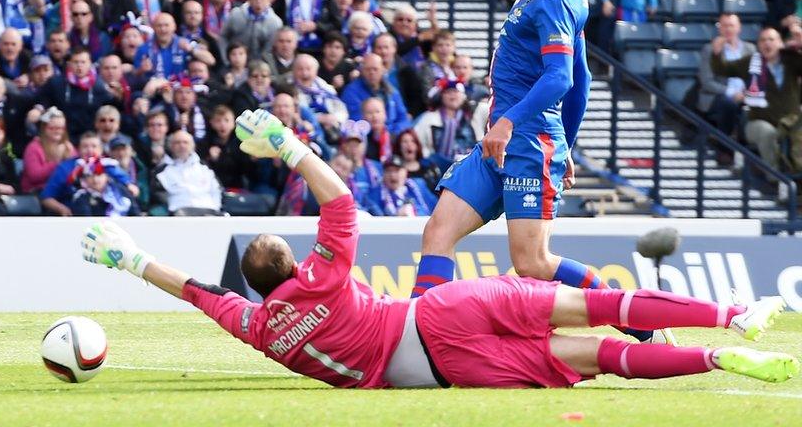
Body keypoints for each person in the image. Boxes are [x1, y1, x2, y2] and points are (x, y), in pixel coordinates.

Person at [81, 108, 799, 389]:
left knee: (601, 358)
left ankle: (713, 358)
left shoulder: (261, 327)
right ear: (294, 264)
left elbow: (201, 293)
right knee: (596, 303)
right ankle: (730, 316)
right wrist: (290, 146)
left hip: (444, 371)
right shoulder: (325, 276)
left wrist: (130, 260)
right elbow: (339, 199)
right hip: (438, 316)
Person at [412, 0, 666, 343]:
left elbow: (562, 79)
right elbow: (582, 79)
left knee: (532, 262)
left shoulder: (550, 1)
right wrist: (564, 143)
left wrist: (517, 127)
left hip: (526, 143)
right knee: (438, 231)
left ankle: (633, 317)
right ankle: (418, 335)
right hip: (499, 145)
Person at [710, 27, 802, 173]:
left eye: (771, 39)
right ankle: (775, 180)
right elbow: (722, 69)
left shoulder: (791, 59)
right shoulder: (751, 62)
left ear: (780, 43)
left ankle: (796, 180)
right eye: (763, 40)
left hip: (791, 120)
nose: (767, 43)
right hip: (758, 121)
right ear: (758, 45)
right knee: (767, 132)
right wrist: (716, 53)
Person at [698, 13, 754, 163]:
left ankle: (745, 152)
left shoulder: (750, 49)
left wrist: (748, 93)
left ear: (739, 28)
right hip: (717, 96)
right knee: (727, 103)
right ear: (719, 28)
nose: (728, 29)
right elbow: (707, 82)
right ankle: (725, 149)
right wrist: (732, 93)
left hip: (745, 96)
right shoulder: (709, 50)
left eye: (732, 25)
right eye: (725, 25)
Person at [149, 129, 223, 214]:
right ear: (171, 146)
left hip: (209, 211)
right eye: (177, 142)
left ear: (193, 146)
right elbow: (159, 196)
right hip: (178, 213)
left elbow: (217, 190)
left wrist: (217, 209)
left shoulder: (204, 168)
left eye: (185, 142)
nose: (182, 146)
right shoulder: (161, 172)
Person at [340, 54, 412, 136]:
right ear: (362, 71)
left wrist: (393, 133)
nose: (372, 73)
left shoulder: (392, 90)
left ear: (382, 70)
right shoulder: (351, 92)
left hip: (393, 136)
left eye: (375, 69)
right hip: (366, 139)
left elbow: (403, 118)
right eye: (368, 69)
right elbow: (357, 121)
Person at [219, 0, 283, 62]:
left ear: (268, 0)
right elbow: (223, 36)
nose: (258, 1)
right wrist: (226, 58)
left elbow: (268, 50)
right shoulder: (236, 14)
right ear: (249, 0)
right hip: (234, 60)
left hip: (260, 64)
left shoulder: (275, 23)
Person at [21, 107, 75, 194]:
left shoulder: (67, 146)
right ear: (44, 128)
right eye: (53, 128)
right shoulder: (34, 147)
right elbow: (34, 176)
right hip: (38, 191)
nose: (58, 131)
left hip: (62, 189)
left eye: (61, 128)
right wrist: (57, 162)